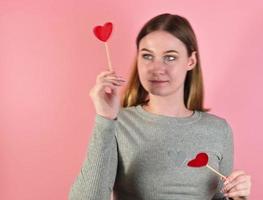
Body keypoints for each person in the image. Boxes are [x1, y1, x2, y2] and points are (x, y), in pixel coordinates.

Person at [69, 13, 251, 200]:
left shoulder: (219, 130)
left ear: (191, 61)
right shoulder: (118, 123)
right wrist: (105, 119)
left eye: (170, 58)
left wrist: (239, 197)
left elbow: (221, 197)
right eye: (147, 56)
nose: (156, 68)